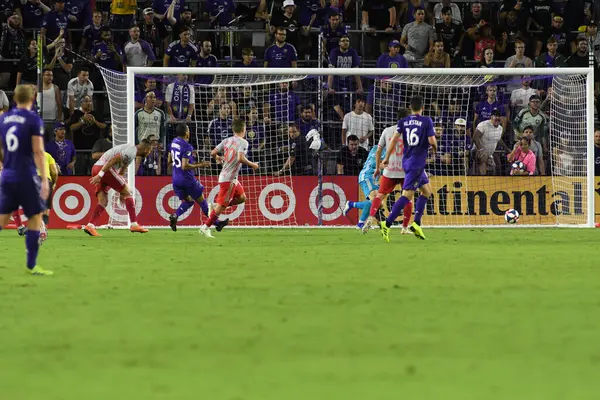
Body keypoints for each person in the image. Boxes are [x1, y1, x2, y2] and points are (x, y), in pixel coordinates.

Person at [0, 85, 52, 276]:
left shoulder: (3, 119)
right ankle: (31, 265)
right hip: (26, 175)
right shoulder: (32, 119)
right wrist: (45, 180)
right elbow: (38, 151)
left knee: (3, 218)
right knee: (35, 217)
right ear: (33, 99)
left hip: (7, 174)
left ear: (14, 98)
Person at [380, 96, 437, 242]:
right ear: (422, 107)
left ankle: (416, 224)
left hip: (408, 161)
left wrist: (386, 158)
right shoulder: (426, 121)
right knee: (407, 196)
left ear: (410, 108)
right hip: (416, 163)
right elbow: (432, 141)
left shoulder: (403, 122)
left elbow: (393, 139)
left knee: (427, 191)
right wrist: (435, 149)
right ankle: (386, 223)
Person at [199, 119, 259, 238]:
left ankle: (215, 205)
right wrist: (253, 165)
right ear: (244, 129)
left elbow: (212, 153)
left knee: (242, 198)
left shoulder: (227, 140)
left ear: (233, 130)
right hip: (228, 179)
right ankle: (205, 228)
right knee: (222, 207)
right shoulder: (244, 142)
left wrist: (218, 158)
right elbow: (241, 158)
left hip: (230, 177)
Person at [84, 141, 152, 237]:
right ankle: (134, 224)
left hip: (96, 167)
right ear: (145, 149)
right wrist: (100, 175)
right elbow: (112, 161)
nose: (149, 153)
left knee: (103, 200)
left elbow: (121, 170)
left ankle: (90, 225)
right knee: (128, 192)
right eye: (149, 151)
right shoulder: (131, 151)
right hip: (104, 168)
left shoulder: (131, 153)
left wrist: (121, 192)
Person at [167, 123, 228, 232]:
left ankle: (175, 215)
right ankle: (217, 224)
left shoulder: (173, 142)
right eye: (188, 130)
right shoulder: (187, 146)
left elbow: (169, 161)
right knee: (202, 202)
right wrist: (201, 164)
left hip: (176, 179)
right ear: (186, 133)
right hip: (188, 180)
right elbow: (185, 166)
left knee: (189, 201)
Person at [363, 108, 414, 234]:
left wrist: (377, 167)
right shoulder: (412, 132)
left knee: (380, 195)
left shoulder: (387, 131)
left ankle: (371, 216)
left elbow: (379, 150)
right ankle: (404, 227)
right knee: (408, 198)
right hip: (405, 170)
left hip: (389, 169)